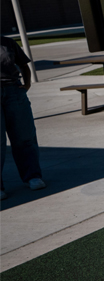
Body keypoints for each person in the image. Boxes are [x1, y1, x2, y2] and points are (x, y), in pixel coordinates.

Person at [1, 36, 45, 199]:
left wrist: (26, 85)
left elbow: (23, 65)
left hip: (13, 92)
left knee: (24, 137)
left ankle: (33, 176)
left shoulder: (8, 43)